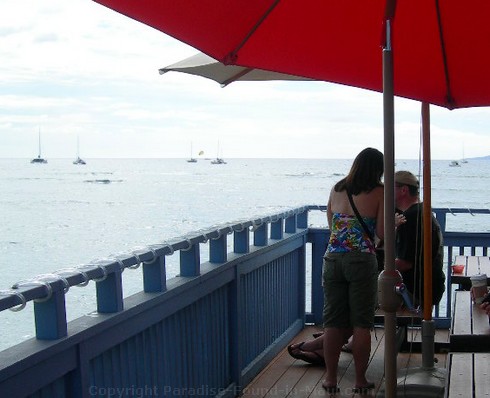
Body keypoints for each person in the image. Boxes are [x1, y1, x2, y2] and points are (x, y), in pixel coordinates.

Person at [321, 147, 384, 393]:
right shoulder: (379, 192)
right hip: (361, 260)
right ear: (378, 169)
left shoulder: (337, 188)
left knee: (333, 322)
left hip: (333, 258)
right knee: (361, 323)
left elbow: (331, 224)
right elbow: (381, 233)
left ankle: (330, 378)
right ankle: (359, 380)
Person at [394, 170, 446, 307]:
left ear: (403, 190)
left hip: (414, 291)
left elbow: (405, 263)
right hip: (431, 287)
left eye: (389, 188)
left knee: (363, 295)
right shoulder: (423, 211)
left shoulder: (410, 218)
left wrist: (375, 265)